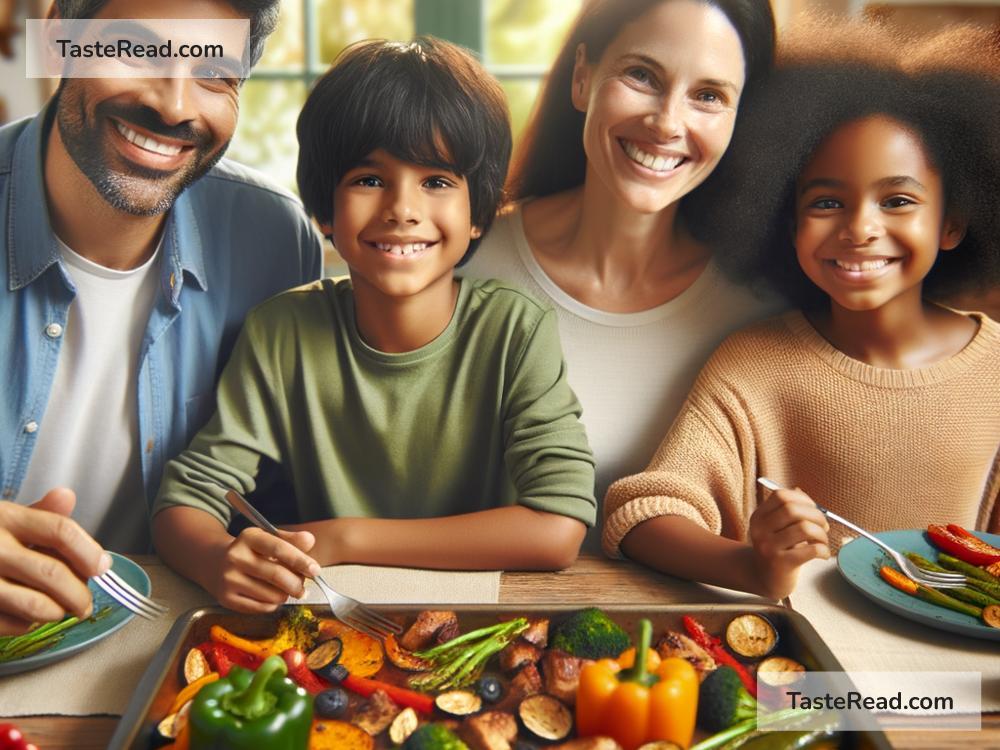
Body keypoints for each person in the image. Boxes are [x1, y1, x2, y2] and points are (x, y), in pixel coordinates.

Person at [152, 38, 597, 613]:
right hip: (331, 610)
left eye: (437, 181)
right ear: (324, 210)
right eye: (368, 179)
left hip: (491, 614)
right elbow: (185, 500)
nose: (402, 208)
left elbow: (558, 527)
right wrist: (217, 560)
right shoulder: (281, 332)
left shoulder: (514, 328)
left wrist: (346, 536)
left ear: (479, 213)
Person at [602, 19, 1000, 599]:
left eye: (897, 200)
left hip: (959, 682)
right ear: (786, 223)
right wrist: (753, 565)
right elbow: (642, 514)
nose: (861, 228)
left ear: (953, 222)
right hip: (797, 683)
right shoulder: (758, 366)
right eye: (828, 201)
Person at [0, 0, 322, 635]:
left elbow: (280, 483)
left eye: (215, 73)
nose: (176, 105)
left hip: (177, 640)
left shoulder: (276, 240)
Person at [460, 0, 785, 549]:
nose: (666, 123)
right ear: (583, 78)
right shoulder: (462, 257)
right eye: (642, 75)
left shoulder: (761, 307)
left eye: (709, 95)